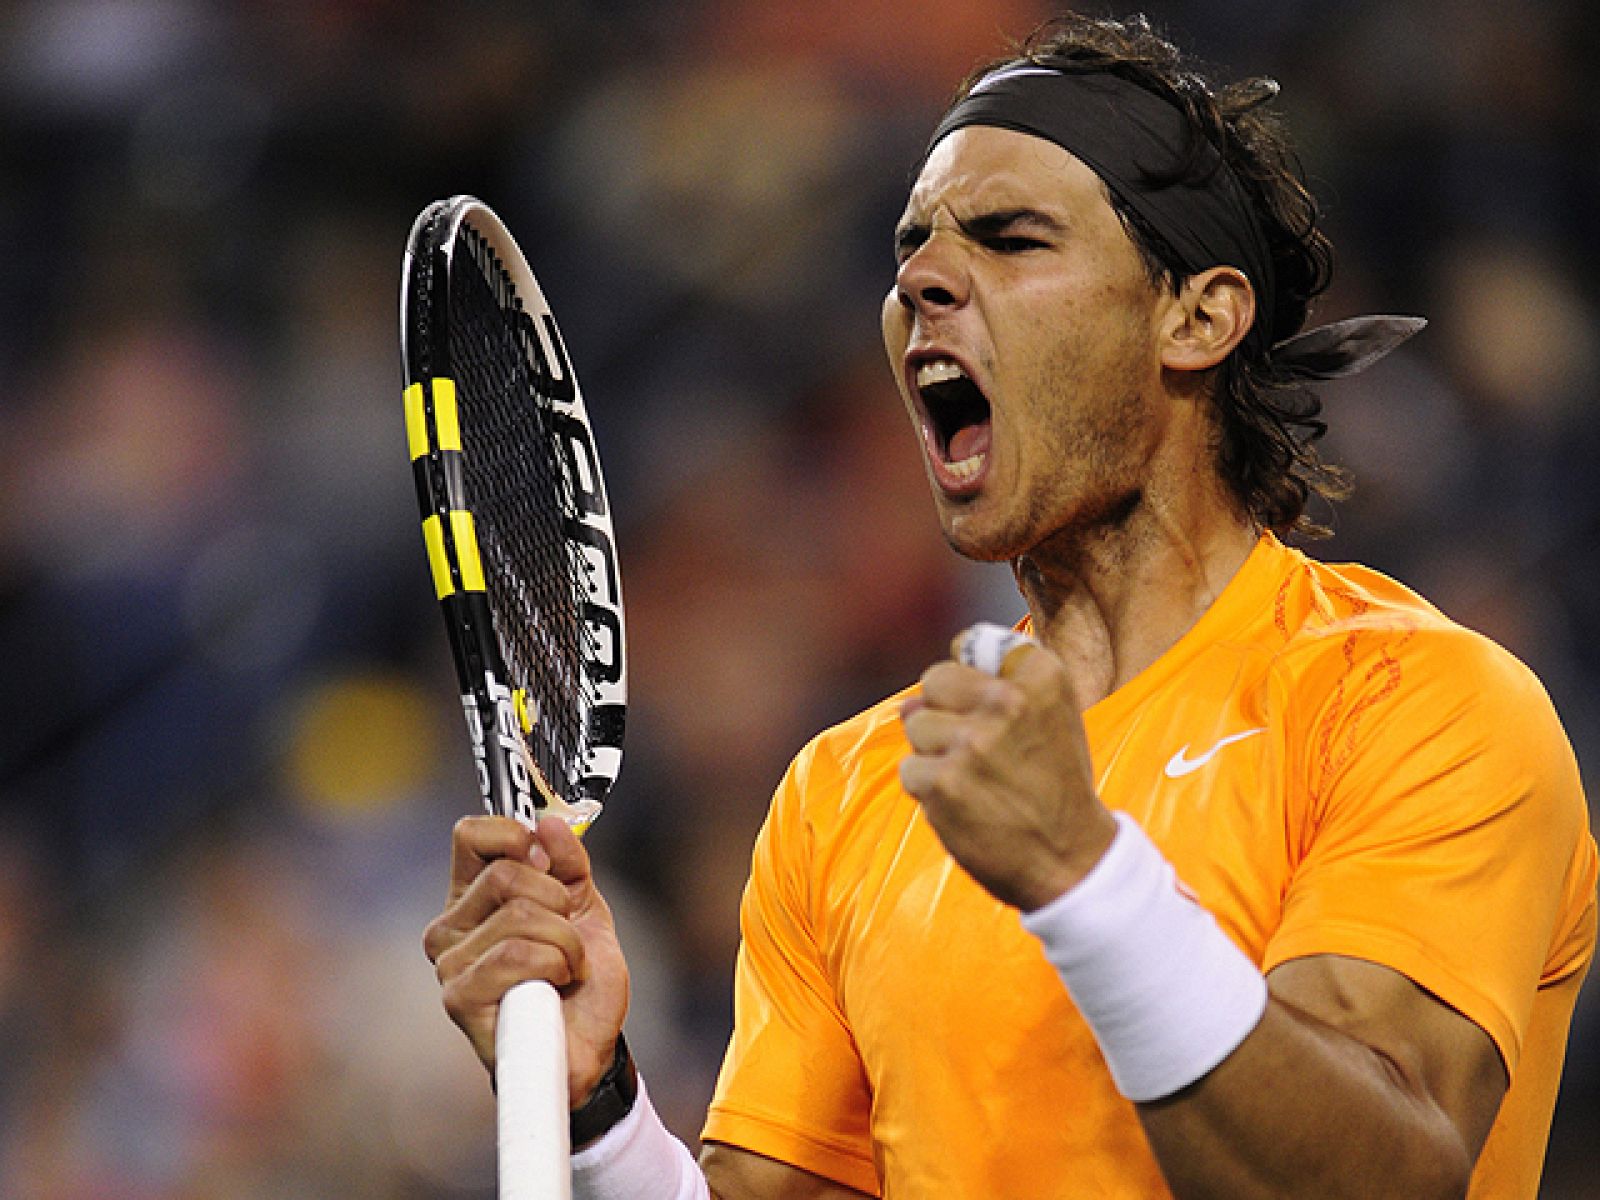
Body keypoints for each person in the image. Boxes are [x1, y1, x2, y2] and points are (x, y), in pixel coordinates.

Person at [423, 14, 1597, 1198]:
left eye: (1010, 237)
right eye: (910, 248)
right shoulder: (846, 793)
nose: (919, 280)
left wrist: (1084, 880)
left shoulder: (1423, 706)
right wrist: (600, 1114)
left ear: (1197, 316)